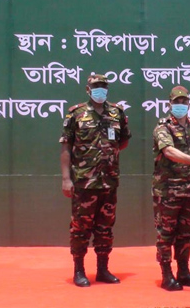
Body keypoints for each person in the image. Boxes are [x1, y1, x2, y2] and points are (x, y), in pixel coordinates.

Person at [59, 74, 131, 287]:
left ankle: (102, 269)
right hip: (84, 182)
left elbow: (123, 141)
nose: (100, 90)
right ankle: (79, 270)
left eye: (103, 87)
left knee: (105, 228)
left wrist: (107, 155)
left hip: (109, 182)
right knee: (81, 228)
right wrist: (66, 179)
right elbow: (66, 147)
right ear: (88, 89)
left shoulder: (116, 113)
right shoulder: (76, 113)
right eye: (96, 87)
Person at [152, 86, 190, 291]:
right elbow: (169, 151)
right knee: (166, 233)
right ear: (170, 104)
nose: (180, 105)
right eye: (176, 102)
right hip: (168, 190)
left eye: (184, 102)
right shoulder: (163, 126)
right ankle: (166, 274)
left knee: (185, 233)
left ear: (189, 104)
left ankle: (183, 272)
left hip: (188, 189)